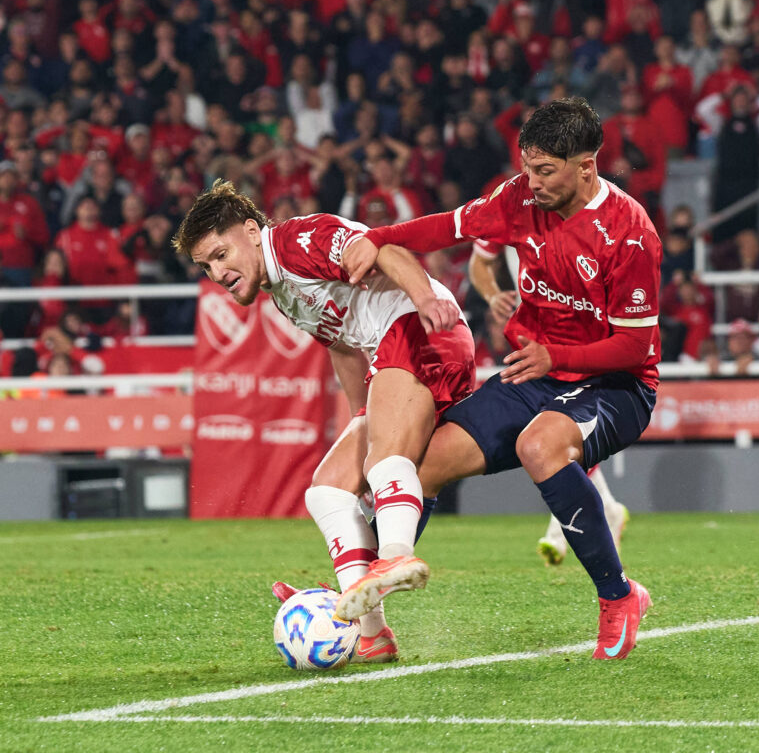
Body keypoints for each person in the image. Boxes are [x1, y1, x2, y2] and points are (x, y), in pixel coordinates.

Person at [342, 97, 658, 660]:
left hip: (618, 385)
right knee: (421, 469)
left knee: (540, 445)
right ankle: (355, 606)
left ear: (586, 166)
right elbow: (449, 225)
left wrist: (554, 353)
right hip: (535, 373)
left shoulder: (630, 233)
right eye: (527, 167)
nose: (530, 181)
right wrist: (379, 236)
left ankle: (618, 597)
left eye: (544, 170)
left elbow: (635, 345)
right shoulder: (517, 198)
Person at [172, 180, 475, 663]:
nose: (217, 272)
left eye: (221, 253)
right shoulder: (283, 292)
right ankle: (371, 633)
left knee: (383, 462)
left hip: (418, 331)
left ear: (252, 231)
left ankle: (395, 555)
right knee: (329, 489)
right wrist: (365, 413)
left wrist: (426, 298)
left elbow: (382, 249)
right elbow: (342, 348)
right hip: (391, 353)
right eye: (206, 265)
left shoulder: (295, 242)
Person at [467, 238, 630, 566]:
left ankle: (566, 529)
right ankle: (605, 511)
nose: (538, 183)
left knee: (554, 430)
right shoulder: (509, 202)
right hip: (535, 331)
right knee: (547, 432)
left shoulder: (580, 210)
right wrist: (492, 294)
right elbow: (479, 261)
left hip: (582, 332)